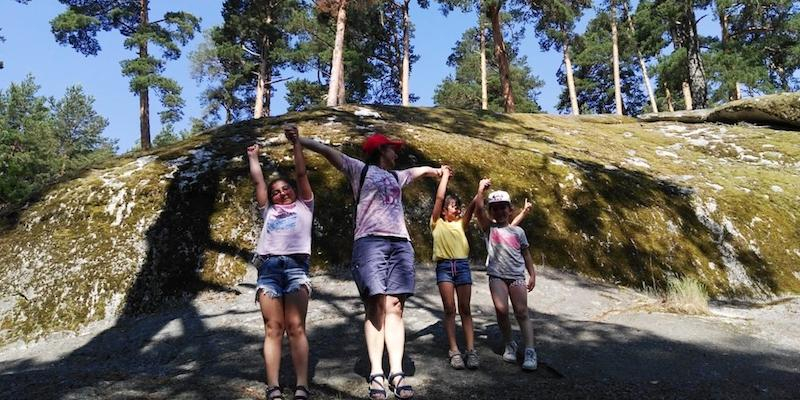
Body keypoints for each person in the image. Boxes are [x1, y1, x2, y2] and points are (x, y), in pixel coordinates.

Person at [297, 132, 442, 400]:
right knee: (375, 305)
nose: (396, 153)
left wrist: (436, 171)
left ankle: (396, 372)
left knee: (395, 307)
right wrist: (301, 141)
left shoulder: (398, 176)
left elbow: (416, 171)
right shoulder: (359, 170)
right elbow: (329, 153)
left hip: (400, 242)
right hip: (369, 242)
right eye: (392, 149)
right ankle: (376, 371)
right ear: (380, 150)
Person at [247, 125, 314, 400]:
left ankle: (302, 385)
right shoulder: (269, 211)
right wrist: (253, 157)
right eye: (277, 192)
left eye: (286, 189)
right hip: (270, 269)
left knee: (296, 327)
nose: (282, 193)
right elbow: (259, 183)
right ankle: (273, 386)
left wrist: (296, 143)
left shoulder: (305, 205)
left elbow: (300, 173)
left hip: (297, 268)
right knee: (273, 329)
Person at [472, 179, 538, 371]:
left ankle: (530, 350)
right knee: (501, 310)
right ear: (491, 212)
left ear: (510, 210)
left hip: (516, 275)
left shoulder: (518, 231)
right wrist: (480, 191)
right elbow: (478, 211)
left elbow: (526, 254)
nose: (499, 211)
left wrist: (532, 274)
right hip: (497, 275)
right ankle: (510, 343)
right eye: (495, 209)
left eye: (503, 208)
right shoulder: (489, 229)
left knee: (521, 312)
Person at [429, 165, 480, 370]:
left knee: (465, 309)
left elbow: (473, 207)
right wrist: (445, 177)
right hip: (444, 267)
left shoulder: (460, 224)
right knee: (450, 309)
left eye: (458, 206)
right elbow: (439, 199)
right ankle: (454, 350)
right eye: (453, 206)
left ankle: (471, 350)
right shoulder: (436, 223)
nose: (457, 209)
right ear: (443, 211)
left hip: (462, 266)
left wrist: (480, 190)